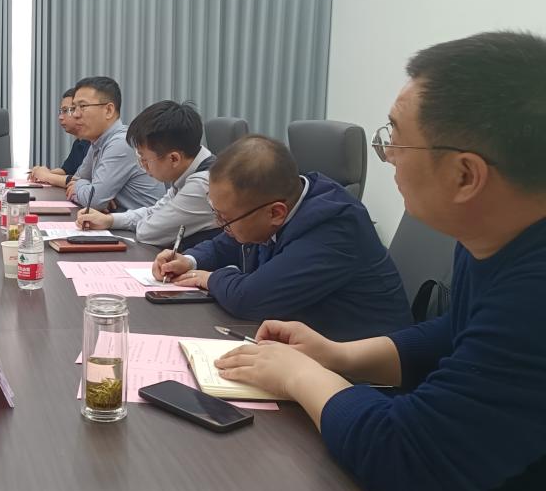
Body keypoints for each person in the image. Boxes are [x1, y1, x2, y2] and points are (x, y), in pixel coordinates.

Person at [215, 31, 546, 491]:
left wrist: (301, 374)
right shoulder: (494, 235)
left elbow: (406, 457)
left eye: (394, 137)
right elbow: (459, 331)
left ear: (466, 175)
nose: (386, 154)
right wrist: (340, 355)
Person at [153, 135, 410, 340]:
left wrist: (209, 278)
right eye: (216, 213)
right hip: (305, 347)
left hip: (363, 372)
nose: (220, 225)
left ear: (276, 213)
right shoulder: (281, 198)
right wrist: (189, 260)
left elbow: (250, 299)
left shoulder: (335, 227)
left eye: (225, 219)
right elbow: (229, 243)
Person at [76, 100, 220, 248]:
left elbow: (149, 232)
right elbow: (155, 210)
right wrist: (109, 220)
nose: (143, 166)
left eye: (144, 159)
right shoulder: (188, 170)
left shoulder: (203, 184)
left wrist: (147, 220)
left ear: (174, 159)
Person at [64, 76, 165, 211]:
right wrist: (89, 189)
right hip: (116, 220)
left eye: (82, 106)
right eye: (74, 108)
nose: (75, 114)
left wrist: (84, 188)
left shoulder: (121, 143)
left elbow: (93, 200)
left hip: (142, 223)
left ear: (109, 110)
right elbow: (77, 179)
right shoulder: (97, 141)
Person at [28, 88, 90, 188]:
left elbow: (81, 182)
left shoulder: (93, 142)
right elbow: (66, 170)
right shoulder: (78, 142)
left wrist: (46, 176)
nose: (60, 117)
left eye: (65, 111)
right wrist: (42, 172)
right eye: (61, 111)